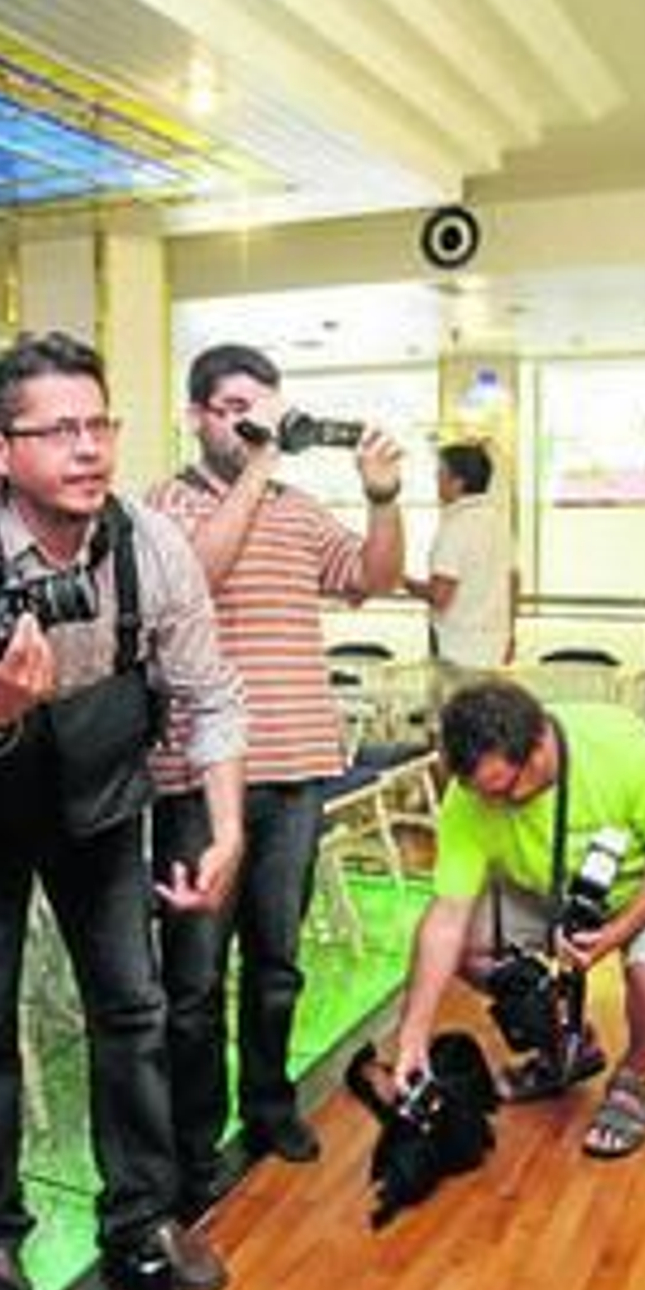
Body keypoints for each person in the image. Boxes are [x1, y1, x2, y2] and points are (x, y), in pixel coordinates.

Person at [0, 331, 247, 1290]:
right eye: (60, 430)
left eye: (100, 424)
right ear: (0, 451)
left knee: (132, 1013)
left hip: (101, 804)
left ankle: (143, 1213)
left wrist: (227, 826)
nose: (89, 448)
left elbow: (209, 693)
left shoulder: (152, 544)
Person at [148, 343, 404, 1209]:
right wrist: (260, 466)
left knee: (278, 964)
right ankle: (193, 1141)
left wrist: (381, 500)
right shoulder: (163, 506)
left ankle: (267, 1105)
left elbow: (374, 578)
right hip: (194, 776)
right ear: (196, 416)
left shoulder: (299, 509)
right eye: (230, 407)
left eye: (262, 407)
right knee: (192, 981)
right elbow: (197, 577)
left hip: (296, 771)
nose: (250, 422)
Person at [392, 679, 645, 1159]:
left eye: (506, 789)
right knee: (462, 946)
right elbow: (447, 916)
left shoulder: (626, 750)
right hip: (545, 886)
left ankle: (635, 1077)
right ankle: (566, 1046)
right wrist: (412, 1036)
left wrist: (615, 935)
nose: (496, 804)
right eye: (485, 795)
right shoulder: (474, 796)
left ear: (540, 743)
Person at [403, 440, 517, 678]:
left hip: (457, 649)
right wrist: (509, 634)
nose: (436, 482)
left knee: (456, 712)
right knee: (488, 712)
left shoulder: (456, 525)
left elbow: (440, 596)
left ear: (458, 483)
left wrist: (401, 580)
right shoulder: (498, 523)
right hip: (494, 645)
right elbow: (513, 581)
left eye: (440, 475)